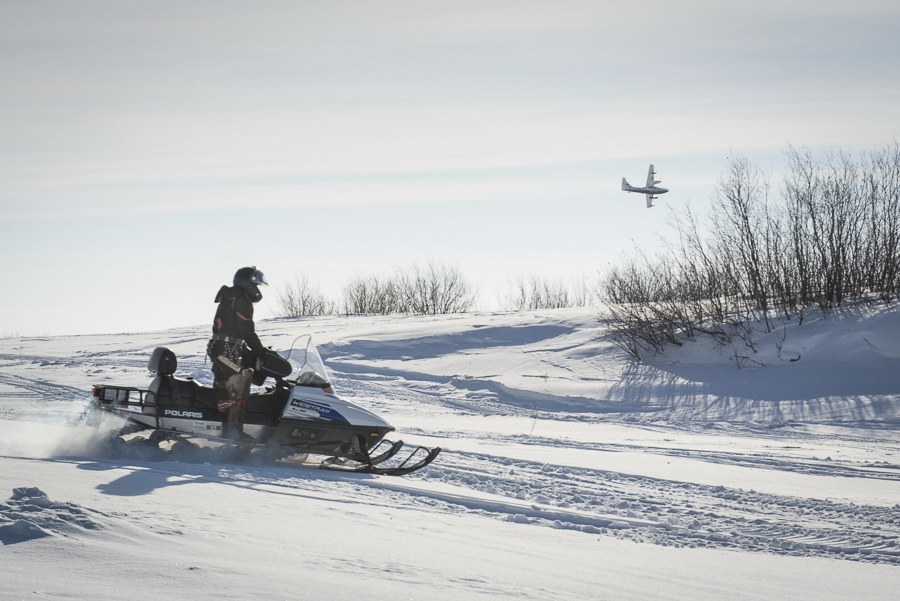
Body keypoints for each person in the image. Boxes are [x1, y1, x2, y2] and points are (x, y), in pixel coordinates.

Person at [206, 266, 269, 440]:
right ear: (246, 283)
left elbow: (236, 330)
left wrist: (250, 353)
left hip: (222, 347)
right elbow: (247, 331)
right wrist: (261, 352)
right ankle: (234, 433)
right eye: (254, 284)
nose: (256, 289)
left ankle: (220, 427)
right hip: (226, 349)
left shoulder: (231, 296)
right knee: (239, 384)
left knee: (222, 387)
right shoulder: (241, 299)